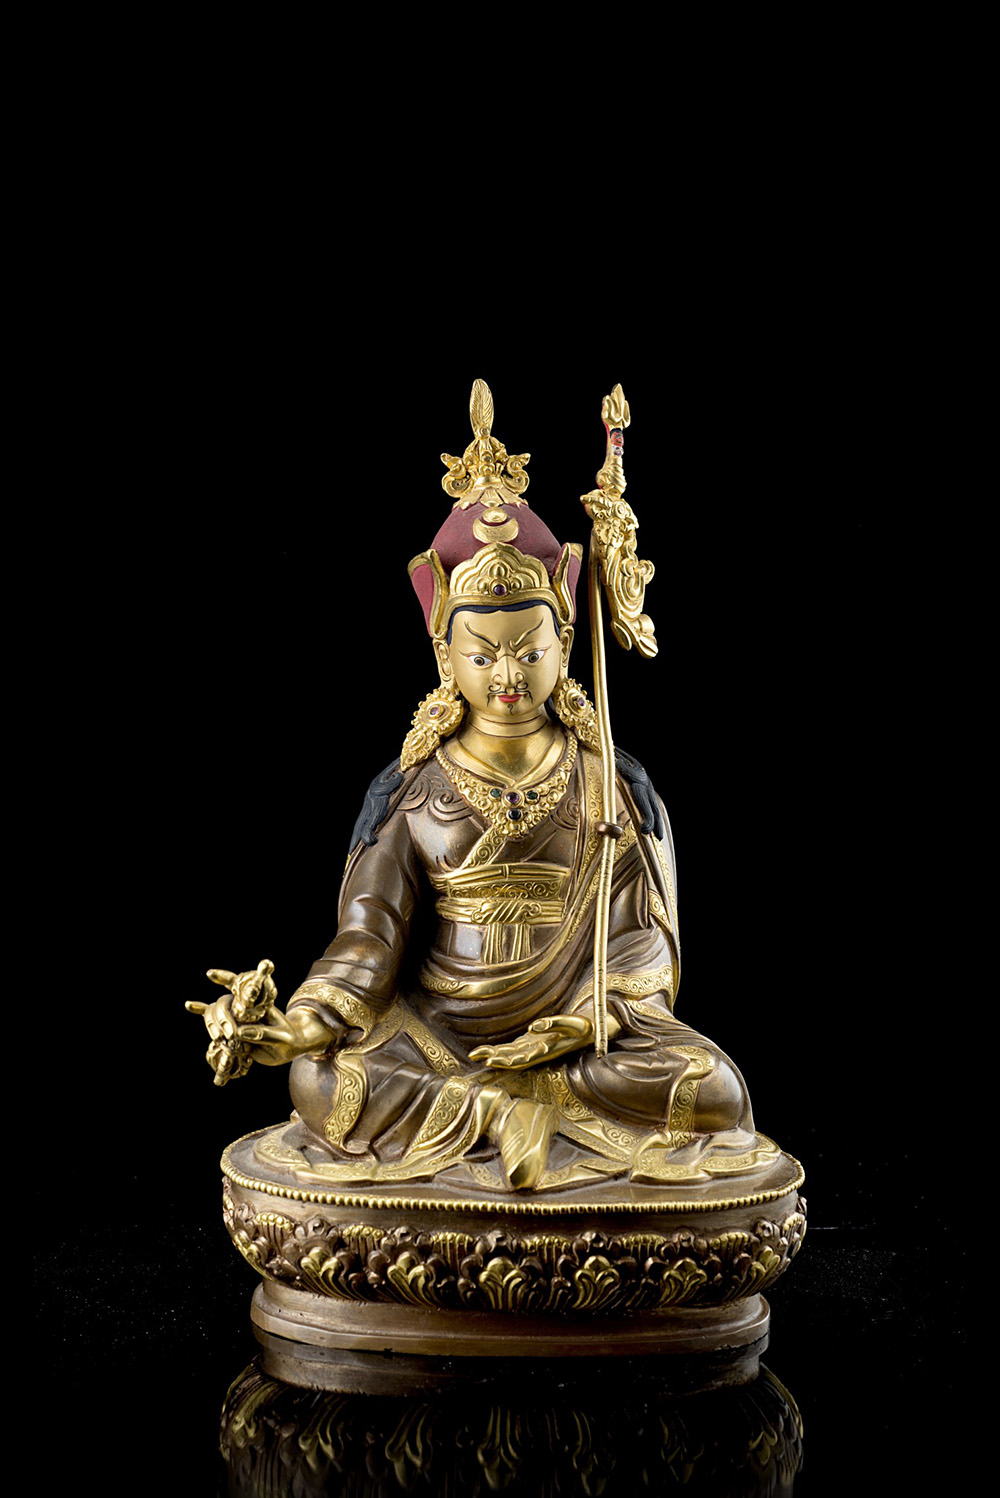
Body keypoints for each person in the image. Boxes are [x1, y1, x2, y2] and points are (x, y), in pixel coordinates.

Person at [188, 388, 777, 1194]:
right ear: (445, 656)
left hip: (576, 1044)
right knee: (319, 1080)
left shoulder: (607, 781)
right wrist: (298, 1025)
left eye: (529, 651)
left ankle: (520, 1107)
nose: (507, 674)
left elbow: (641, 945)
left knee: (715, 1087)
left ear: (565, 641)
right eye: (482, 653)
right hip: (438, 1037)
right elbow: (367, 941)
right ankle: (500, 1115)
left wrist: (582, 1022)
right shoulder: (413, 790)